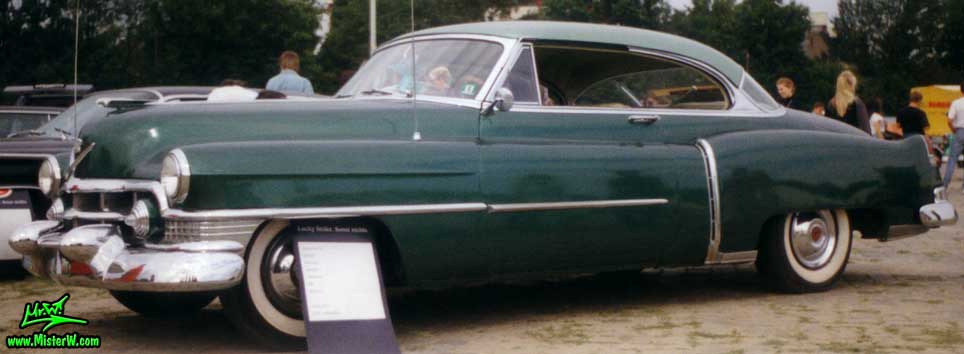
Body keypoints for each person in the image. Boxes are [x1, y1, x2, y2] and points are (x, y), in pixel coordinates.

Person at [941, 83, 964, 189]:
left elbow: (949, 120)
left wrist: (954, 130)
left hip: (959, 131)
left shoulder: (956, 103)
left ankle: (945, 185)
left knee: (952, 159)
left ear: (961, 90)